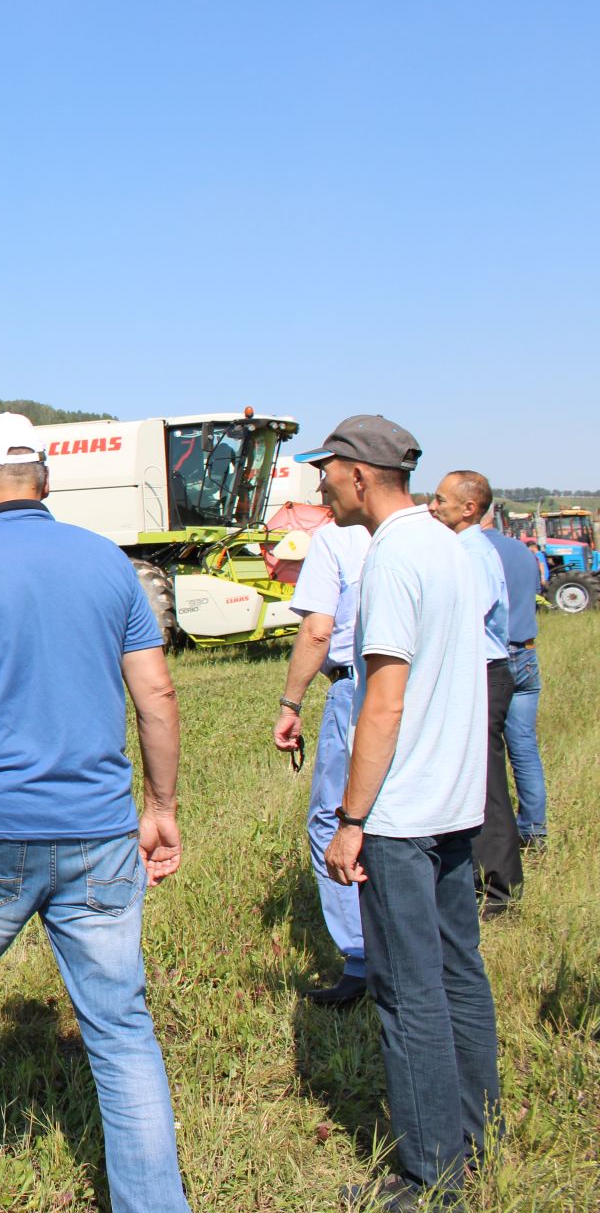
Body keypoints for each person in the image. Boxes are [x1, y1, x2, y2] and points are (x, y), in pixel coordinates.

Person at [0, 412, 187, 1212]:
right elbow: (155, 692)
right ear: (45, 481)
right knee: (122, 1028)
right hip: (98, 831)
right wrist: (160, 806)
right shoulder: (107, 562)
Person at [304, 416, 499, 1210]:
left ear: (357, 474)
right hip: (456, 801)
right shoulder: (453, 548)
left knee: (406, 991)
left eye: (326, 471)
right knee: (460, 972)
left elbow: (381, 701)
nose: (319, 486)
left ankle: (429, 1175)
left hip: (402, 814)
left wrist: (351, 817)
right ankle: (475, 1141)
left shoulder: (390, 558)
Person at [273, 514, 373, 1006]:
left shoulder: (335, 540)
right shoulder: (434, 533)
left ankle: (360, 957)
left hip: (356, 684)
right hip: (423, 685)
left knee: (332, 821)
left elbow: (317, 631)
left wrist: (291, 704)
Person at [427, 471, 521, 914]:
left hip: (483, 673)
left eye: (441, 499)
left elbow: (466, 612)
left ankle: (499, 889)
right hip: (477, 672)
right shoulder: (463, 549)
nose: (432, 505)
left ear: (468, 508)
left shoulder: (472, 555)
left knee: (486, 783)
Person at [482, 510, 549, 848]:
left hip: (491, 658)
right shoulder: (522, 549)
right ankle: (534, 830)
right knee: (523, 746)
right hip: (526, 652)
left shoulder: (473, 551)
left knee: (483, 751)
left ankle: (489, 836)